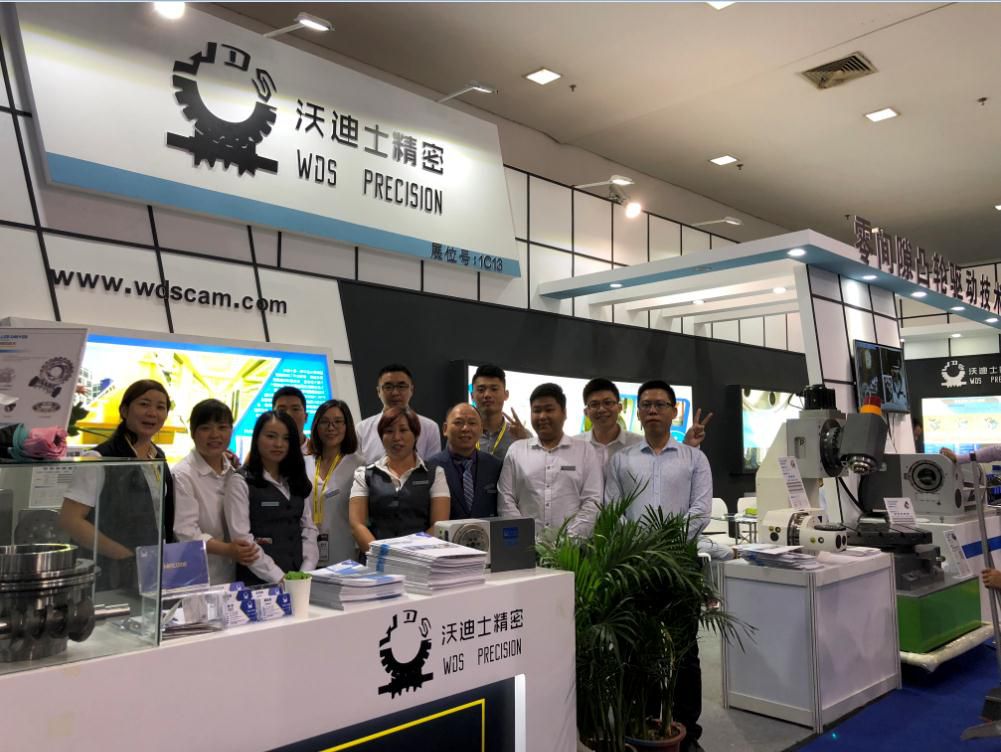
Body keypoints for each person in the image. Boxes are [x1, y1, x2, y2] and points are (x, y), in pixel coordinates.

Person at [603, 379, 713, 752]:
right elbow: (614, 509)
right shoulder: (622, 460)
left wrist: (666, 546)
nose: (652, 410)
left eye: (660, 404)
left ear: (673, 411)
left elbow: (700, 511)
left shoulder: (694, 459)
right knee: (638, 648)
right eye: (646, 404)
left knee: (685, 652)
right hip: (635, 566)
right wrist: (642, 548)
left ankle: (688, 732)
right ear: (638, 411)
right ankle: (645, 723)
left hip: (680, 565)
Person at [60, 379, 176, 592]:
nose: (152, 413)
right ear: (124, 410)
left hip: (148, 571)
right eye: (144, 404)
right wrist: (125, 557)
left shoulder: (158, 457)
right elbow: (70, 520)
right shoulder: (99, 458)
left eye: (160, 407)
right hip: (107, 574)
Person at [223, 411, 317, 585]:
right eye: (271, 436)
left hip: (299, 580)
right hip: (256, 584)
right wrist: (279, 577)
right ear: (257, 438)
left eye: (286, 438)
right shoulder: (240, 482)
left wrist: (306, 570)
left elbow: (308, 528)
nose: (279, 444)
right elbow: (243, 540)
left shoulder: (295, 479)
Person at [498, 383, 602, 538]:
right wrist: (525, 538)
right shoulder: (516, 451)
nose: (542, 416)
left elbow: (592, 501)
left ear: (564, 413)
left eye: (549, 409)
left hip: (573, 549)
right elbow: (506, 499)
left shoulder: (585, 451)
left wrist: (568, 542)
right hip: (525, 546)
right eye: (536, 410)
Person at [173, 399, 259, 585]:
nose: (215, 435)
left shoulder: (234, 472)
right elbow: (186, 532)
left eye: (222, 427)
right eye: (205, 428)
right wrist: (228, 550)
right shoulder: (183, 475)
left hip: (235, 575)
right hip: (199, 578)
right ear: (193, 433)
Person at [349, 407, 451, 553]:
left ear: (416, 434)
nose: (396, 437)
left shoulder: (435, 473)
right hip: (376, 559)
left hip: (422, 558)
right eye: (389, 431)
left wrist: (411, 556)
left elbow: (439, 525)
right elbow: (357, 525)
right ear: (381, 436)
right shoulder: (364, 474)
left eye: (403, 430)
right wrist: (383, 557)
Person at [577, 378, 714, 465]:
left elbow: (666, 468)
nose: (601, 409)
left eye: (608, 403)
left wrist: (688, 446)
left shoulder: (640, 444)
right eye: (594, 404)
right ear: (586, 412)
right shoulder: (575, 446)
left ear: (619, 407)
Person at [303, 399, 365, 566]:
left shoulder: (359, 464)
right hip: (306, 553)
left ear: (347, 426)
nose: (331, 428)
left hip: (345, 553)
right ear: (316, 426)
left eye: (338, 421)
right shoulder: (305, 463)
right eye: (324, 422)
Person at [427, 403, 503, 520]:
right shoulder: (430, 467)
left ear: (481, 429)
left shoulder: (496, 466)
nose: (465, 428)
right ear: (445, 429)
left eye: (472, 423)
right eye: (458, 423)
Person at [355, 364, 441, 463]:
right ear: (378, 391)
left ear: (411, 390)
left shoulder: (430, 427)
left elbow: (432, 467)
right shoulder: (362, 429)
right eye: (388, 387)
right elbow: (357, 467)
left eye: (401, 386)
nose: (395, 393)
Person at [470, 364, 532, 461]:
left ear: (506, 395)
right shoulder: (462, 434)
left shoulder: (522, 435)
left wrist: (524, 442)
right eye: (481, 390)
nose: (487, 395)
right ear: (472, 396)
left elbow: (536, 468)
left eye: (494, 389)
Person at [273, 386, 310, 454]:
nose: (289, 415)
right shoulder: (262, 454)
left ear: (306, 417)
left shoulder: (321, 453)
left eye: (295, 409)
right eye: (281, 410)